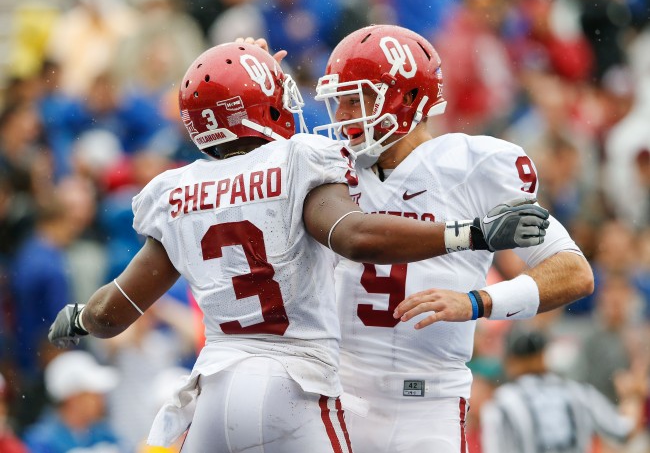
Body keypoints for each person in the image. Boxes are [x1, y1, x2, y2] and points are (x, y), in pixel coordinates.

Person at [47, 42, 548, 452]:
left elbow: (114, 312)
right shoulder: (298, 161)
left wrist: (79, 318)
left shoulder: (177, 190)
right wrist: (472, 233)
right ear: (261, 103)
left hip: (212, 388)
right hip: (295, 383)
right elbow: (354, 235)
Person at [307, 25, 594, 453]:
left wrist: (477, 302)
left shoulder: (471, 166)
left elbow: (574, 272)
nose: (344, 116)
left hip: (430, 402)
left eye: (357, 100)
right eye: (340, 102)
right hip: (337, 397)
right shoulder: (327, 167)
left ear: (406, 98)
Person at [480, 327, 646, 453]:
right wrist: (633, 395)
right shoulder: (577, 392)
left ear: (511, 361)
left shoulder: (502, 401)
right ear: (544, 357)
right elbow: (625, 431)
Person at [22, 350, 122, 453]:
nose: (101, 400)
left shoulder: (105, 434)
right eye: (94, 395)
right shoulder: (41, 440)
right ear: (73, 398)